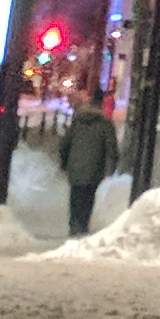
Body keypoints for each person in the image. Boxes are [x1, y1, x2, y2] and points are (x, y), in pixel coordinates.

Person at [58, 90, 120, 238]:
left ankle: (74, 225)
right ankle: (83, 224)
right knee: (88, 196)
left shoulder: (77, 122)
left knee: (75, 194)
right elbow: (111, 147)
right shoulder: (105, 124)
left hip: (75, 165)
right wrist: (111, 167)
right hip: (95, 167)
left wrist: (64, 163)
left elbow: (65, 145)